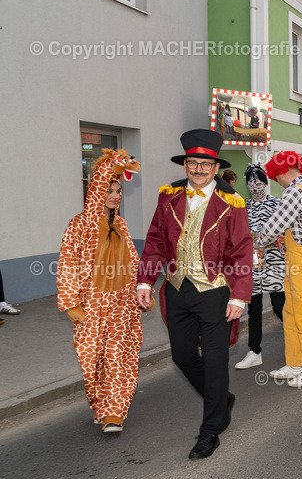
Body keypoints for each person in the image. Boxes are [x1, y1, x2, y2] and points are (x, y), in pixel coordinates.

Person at [137, 130, 251, 459]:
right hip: (176, 289)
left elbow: (242, 250)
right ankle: (221, 399)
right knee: (183, 356)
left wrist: (239, 296)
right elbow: (156, 241)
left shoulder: (231, 202)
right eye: (192, 163)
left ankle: (210, 429)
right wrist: (145, 281)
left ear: (215, 168)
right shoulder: (168, 196)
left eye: (205, 164)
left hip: (215, 291)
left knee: (214, 362)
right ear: (185, 165)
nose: (198, 169)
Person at [57, 149, 143, 432]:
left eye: (118, 191)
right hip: (91, 305)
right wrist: (70, 303)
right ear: (96, 189)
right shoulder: (79, 225)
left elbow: (133, 261)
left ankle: (114, 412)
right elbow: (67, 263)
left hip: (121, 304)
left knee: (118, 356)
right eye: (109, 190)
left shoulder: (122, 225)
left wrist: (142, 291)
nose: (115, 196)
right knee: (91, 362)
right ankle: (100, 405)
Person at [255, 151, 302, 388]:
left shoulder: (294, 192)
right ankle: (295, 363)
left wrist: (259, 244)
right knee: (292, 313)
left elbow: (275, 224)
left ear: (282, 172)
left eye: (275, 177)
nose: (276, 182)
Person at [234, 163, 286, 370]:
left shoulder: (277, 203)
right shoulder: (243, 206)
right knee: (253, 309)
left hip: (274, 263)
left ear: (265, 183)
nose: (255, 188)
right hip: (252, 265)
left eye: (258, 183)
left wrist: (270, 243)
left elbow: (285, 231)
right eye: (251, 184)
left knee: (280, 307)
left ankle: (299, 341)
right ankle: (254, 351)